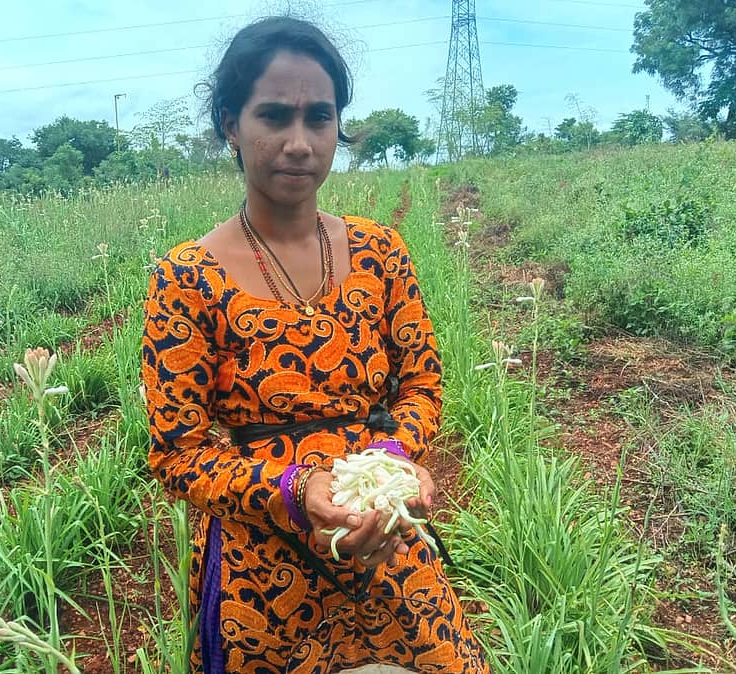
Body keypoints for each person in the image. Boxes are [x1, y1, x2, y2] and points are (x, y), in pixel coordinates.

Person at [142, 16, 490, 674]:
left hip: (380, 537)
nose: (299, 143)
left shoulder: (381, 252)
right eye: (274, 116)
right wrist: (296, 490)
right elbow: (178, 456)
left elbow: (421, 386)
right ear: (229, 125)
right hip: (264, 570)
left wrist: (387, 469)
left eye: (319, 118)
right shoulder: (186, 279)